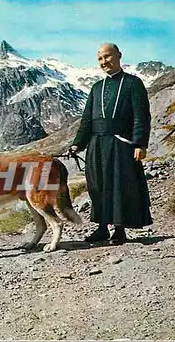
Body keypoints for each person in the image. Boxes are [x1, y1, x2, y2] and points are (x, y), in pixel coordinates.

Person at [69, 43, 153, 245]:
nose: (104, 62)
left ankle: (119, 229)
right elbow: (87, 120)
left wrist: (140, 144)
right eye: (100, 59)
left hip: (121, 144)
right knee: (97, 186)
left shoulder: (133, 83)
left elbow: (142, 117)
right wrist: (77, 144)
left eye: (107, 56)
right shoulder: (96, 87)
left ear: (119, 56)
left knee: (119, 186)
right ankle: (101, 228)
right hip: (96, 144)